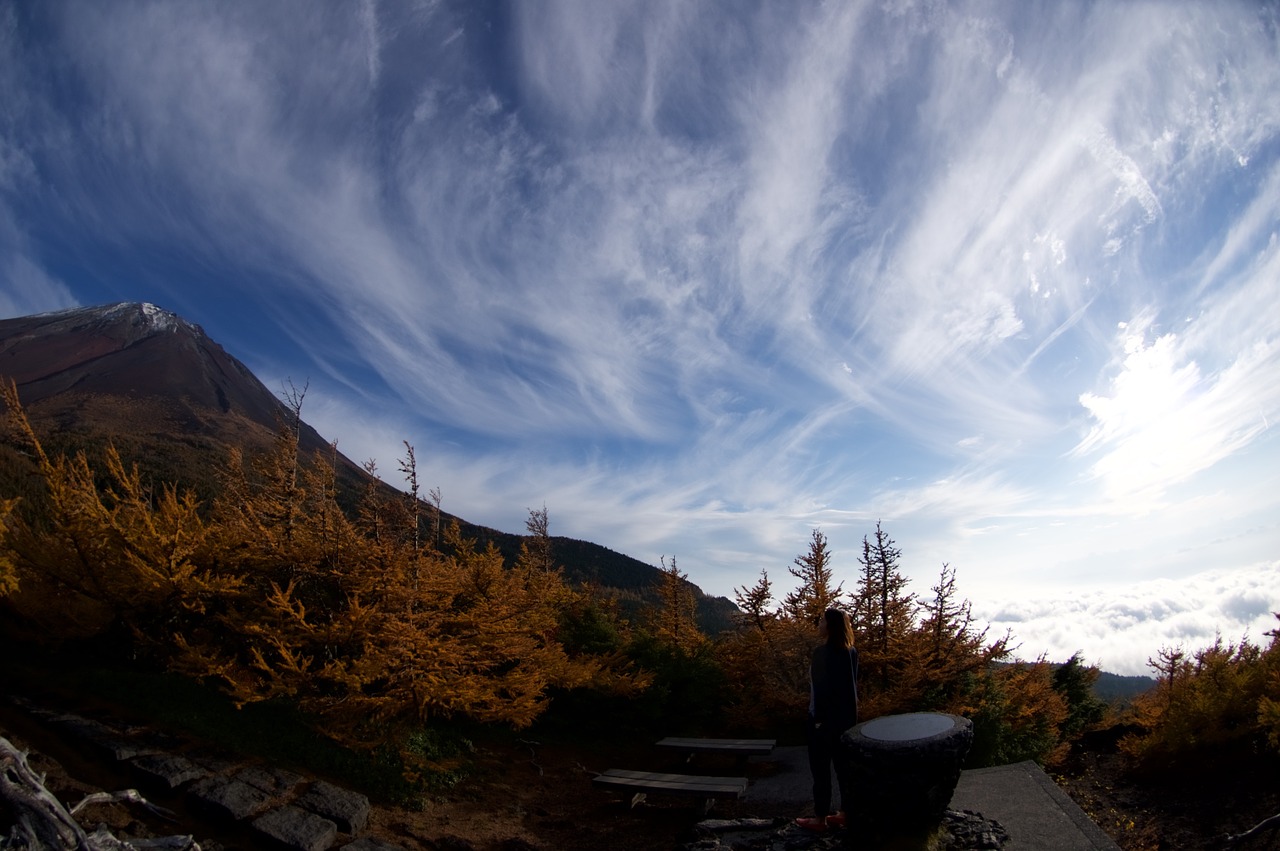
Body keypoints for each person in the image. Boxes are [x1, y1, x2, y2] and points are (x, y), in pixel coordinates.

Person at [795, 608, 859, 832]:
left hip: (822, 722)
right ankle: (846, 813)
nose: (819, 625)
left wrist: (818, 720)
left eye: (822, 621)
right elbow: (851, 688)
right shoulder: (851, 652)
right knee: (844, 769)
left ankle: (820, 818)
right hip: (846, 722)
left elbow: (820, 690)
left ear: (830, 626)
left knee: (820, 770)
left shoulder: (821, 653)